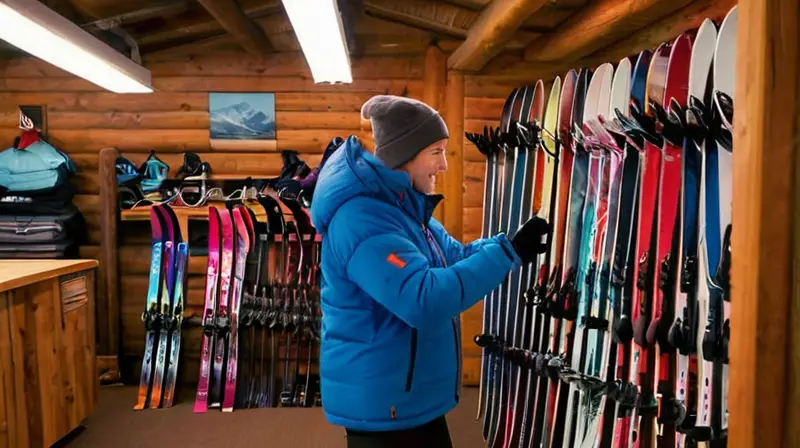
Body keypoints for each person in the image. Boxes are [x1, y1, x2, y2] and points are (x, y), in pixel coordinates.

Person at [309, 95, 546, 448]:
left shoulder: (402, 210)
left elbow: (454, 256)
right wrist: (506, 255)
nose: (444, 166)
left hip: (409, 400)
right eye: (436, 152)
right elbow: (423, 298)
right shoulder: (363, 221)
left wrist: (507, 245)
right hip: (383, 407)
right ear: (404, 154)